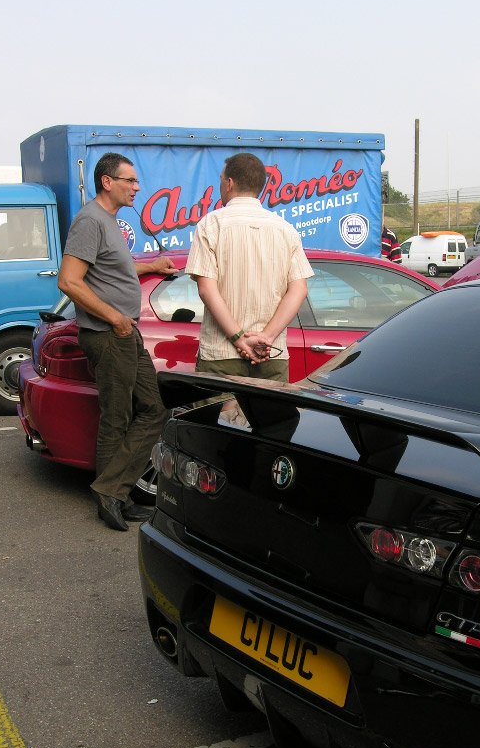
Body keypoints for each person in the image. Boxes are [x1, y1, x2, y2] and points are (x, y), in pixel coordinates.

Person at [57, 152, 177, 532]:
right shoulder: (91, 221)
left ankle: (114, 491)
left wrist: (151, 267)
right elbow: (69, 281)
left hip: (124, 331)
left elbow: (113, 267)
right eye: (130, 181)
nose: (137, 188)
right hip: (110, 333)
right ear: (107, 182)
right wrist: (114, 318)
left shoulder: (109, 222)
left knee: (153, 410)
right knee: (117, 416)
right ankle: (111, 497)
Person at [186, 152, 313, 382]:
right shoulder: (285, 229)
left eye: (221, 181)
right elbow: (299, 290)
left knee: (216, 419)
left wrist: (239, 339)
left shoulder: (211, 224)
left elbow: (207, 289)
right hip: (271, 355)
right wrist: (267, 337)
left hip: (220, 356)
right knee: (269, 418)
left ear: (229, 183)